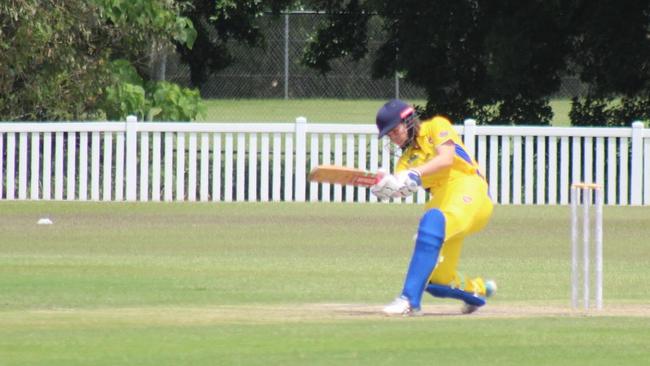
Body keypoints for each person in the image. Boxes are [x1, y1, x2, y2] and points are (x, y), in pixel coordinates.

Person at [371, 99, 496, 316]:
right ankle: (479, 290)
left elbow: (446, 159)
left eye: (395, 130)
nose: (393, 136)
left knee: (432, 222)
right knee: (437, 282)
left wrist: (416, 174)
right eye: (389, 134)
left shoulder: (436, 126)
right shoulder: (405, 161)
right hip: (442, 200)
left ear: (408, 120)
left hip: (469, 188)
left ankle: (409, 300)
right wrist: (388, 187)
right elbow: (404, 187)